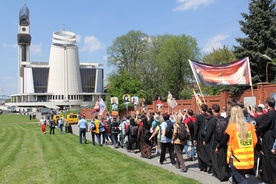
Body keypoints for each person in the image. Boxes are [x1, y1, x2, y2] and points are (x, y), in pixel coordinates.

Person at [216, 105, 257, 184]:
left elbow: (225, 140)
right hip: (247, 158)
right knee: (237, 177)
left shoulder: (232, 127)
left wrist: (218, 147)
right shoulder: (250, 126)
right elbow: (254, 141)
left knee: (242, 180)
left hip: (236, 158)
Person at [204, 104, 229, 181]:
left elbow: (208, 132)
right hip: (223, 141)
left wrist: (206, 141)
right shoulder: (224, 119)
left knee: (215, 159)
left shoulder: (212, 120)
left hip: (214, 141)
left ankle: (219, 174)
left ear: (213, 110)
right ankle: (225, 173)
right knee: (223, 158)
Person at [256, 97, 276, 183]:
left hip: (269, 137)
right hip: (273, 137)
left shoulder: (269, 115)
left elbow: (263, 126)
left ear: (267, 104)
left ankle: (269, 178)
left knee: (268, 158)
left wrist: (256, 132)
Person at [193, 104, 212, 172]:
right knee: (206, 150)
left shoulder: (199, 117)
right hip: (207, 135)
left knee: (200, 151)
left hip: (200, 135)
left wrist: (194, 138)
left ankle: (204, 165)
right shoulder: (209, 117)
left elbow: (196, 128)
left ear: (201, 109)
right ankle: (208, 164)